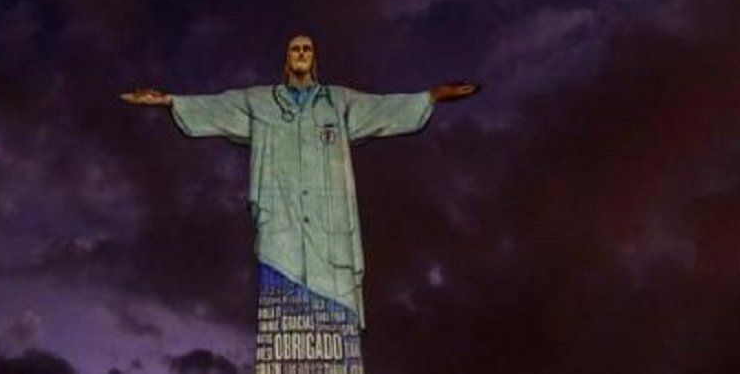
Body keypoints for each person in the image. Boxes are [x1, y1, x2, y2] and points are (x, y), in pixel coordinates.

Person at [121, 34, 477, 372]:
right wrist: (169, 101)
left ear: (314, 58)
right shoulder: (259, 101)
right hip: (282, 233)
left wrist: (429, 97)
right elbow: (217, 105)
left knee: (336, 339)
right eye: (295, 49)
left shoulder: (338, 102)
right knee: (282, 331)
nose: (302, 53)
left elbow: (382, 107)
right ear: (286, 59)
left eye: (307, 49)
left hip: (330, 233)